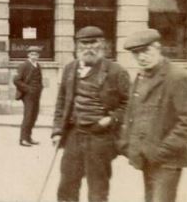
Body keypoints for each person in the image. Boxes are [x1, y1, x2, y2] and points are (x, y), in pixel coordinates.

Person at [118, 28, 187, 202]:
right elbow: (132, 113)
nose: (141, 57)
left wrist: (162, 150)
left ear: (158, 48)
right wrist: (126, 144)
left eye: (146, 51)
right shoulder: (141, 76)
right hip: (146, 158)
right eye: (136, 53)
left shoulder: (177, 77)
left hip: (167, 161)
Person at [51, 26, 130, 202]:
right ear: (76, 46)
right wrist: (57, 131)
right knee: (66, 186)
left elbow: (129, 105)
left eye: (94, 43)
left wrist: (110, 119)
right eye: (84, 43)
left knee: (97, 189)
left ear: (103, 45)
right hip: (73, 134)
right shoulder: (69, 69)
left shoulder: (116, 71)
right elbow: (62, 102)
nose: (89, 48)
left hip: (100, 137)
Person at [14, 45, 43, 146]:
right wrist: (28, 89)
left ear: (38, 55)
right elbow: (16, 80)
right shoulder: (24, 65)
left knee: (34, 116)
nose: (34, 56)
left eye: (36, 54)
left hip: (36, 94)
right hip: (28, 95)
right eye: (32, 54)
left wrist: (40, 89)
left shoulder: (38, 65)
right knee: (28, 116)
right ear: (28, 55)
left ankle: (29, 137)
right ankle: (23, 139)